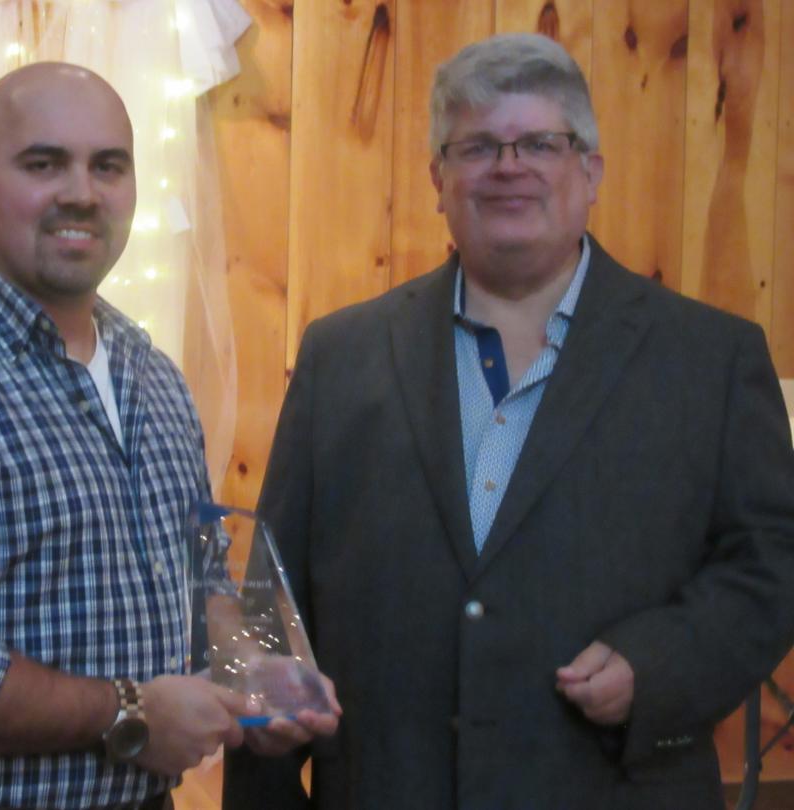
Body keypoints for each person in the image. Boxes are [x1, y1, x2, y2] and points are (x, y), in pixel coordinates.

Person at [223, 32, 794, 810]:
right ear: (437, 179)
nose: (509, 165)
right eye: (478, 146)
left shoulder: (712, 359)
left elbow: (773, 566)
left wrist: (660, 665)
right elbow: (271, 604)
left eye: (541, 143)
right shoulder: (340, 355)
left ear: (590, 171)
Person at [0, 62, 338, 810]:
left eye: (108, 166)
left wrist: (256, 677)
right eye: (44, 163)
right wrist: (128, 711)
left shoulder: (153, 375)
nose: (81, 191)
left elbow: (196, 578)